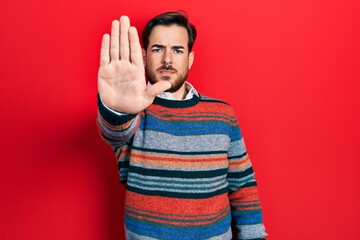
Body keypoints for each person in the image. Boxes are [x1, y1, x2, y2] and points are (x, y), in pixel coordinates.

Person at [97, 11, 267, 240]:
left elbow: (243, 186)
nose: (167, 59)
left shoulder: (222, 114)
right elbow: (114, 132)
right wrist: (118, 109)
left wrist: (254, 237)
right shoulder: (133, 114)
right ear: (145, 55)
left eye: (177, 50)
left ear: (190, 58)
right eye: (157, 49)